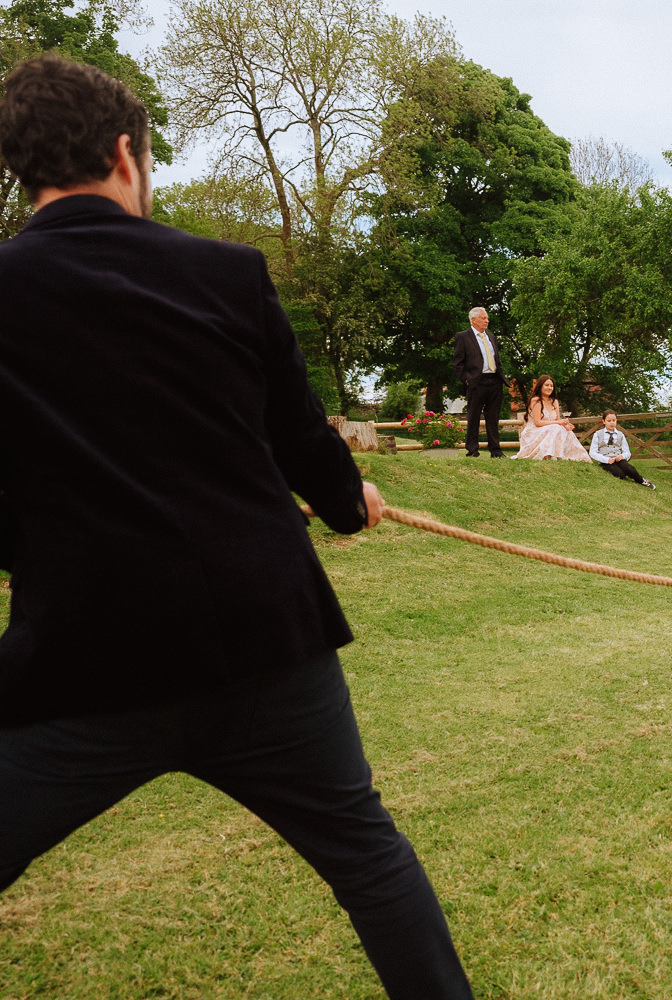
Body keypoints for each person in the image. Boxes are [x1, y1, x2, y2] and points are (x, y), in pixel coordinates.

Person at [0, 57, 472, 999]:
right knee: (368, 860)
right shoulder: (226, 272)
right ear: (126, 154)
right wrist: (350, 502)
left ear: (23, 169)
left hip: (84, 664)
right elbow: (298, 435)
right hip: (264, 647)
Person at [452, 306, 505, 458]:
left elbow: (496, 358)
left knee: (493, 417)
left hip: (494, 380)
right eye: (483, 318)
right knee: (474, 416)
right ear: (473, 320)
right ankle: (472, 449)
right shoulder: (463, 337)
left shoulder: (491, 336)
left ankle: (496, 450)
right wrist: (467, 380)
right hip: (476, 381)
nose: (487, 321)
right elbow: (457, 363)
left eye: (487, 318)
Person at [515, 374, 590, 461]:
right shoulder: (536, 400)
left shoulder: (554, 402)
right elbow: (537, 422)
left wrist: (565, 425)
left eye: (551, 386)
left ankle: (575, 456)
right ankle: (548, 455)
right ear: (540, 386)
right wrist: (558, 423)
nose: (550, 388)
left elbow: (558, 420)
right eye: (547, 385)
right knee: (555, 427)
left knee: (566, 431)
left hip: (551, 429)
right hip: (534, 431)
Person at [589, 410, 655, 489]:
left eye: (614, 420)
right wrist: (606, 460)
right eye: (609, 421)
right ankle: (614, 469)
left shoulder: (620, 435)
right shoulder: (598, 434)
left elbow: (627, 452)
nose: (612, 423)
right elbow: (592, 452)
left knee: (630, 469)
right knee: (620, 475)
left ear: (616, 421)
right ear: (604, 422)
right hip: (606, 460)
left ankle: (642, 480)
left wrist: (622, 456)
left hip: (618, 459)